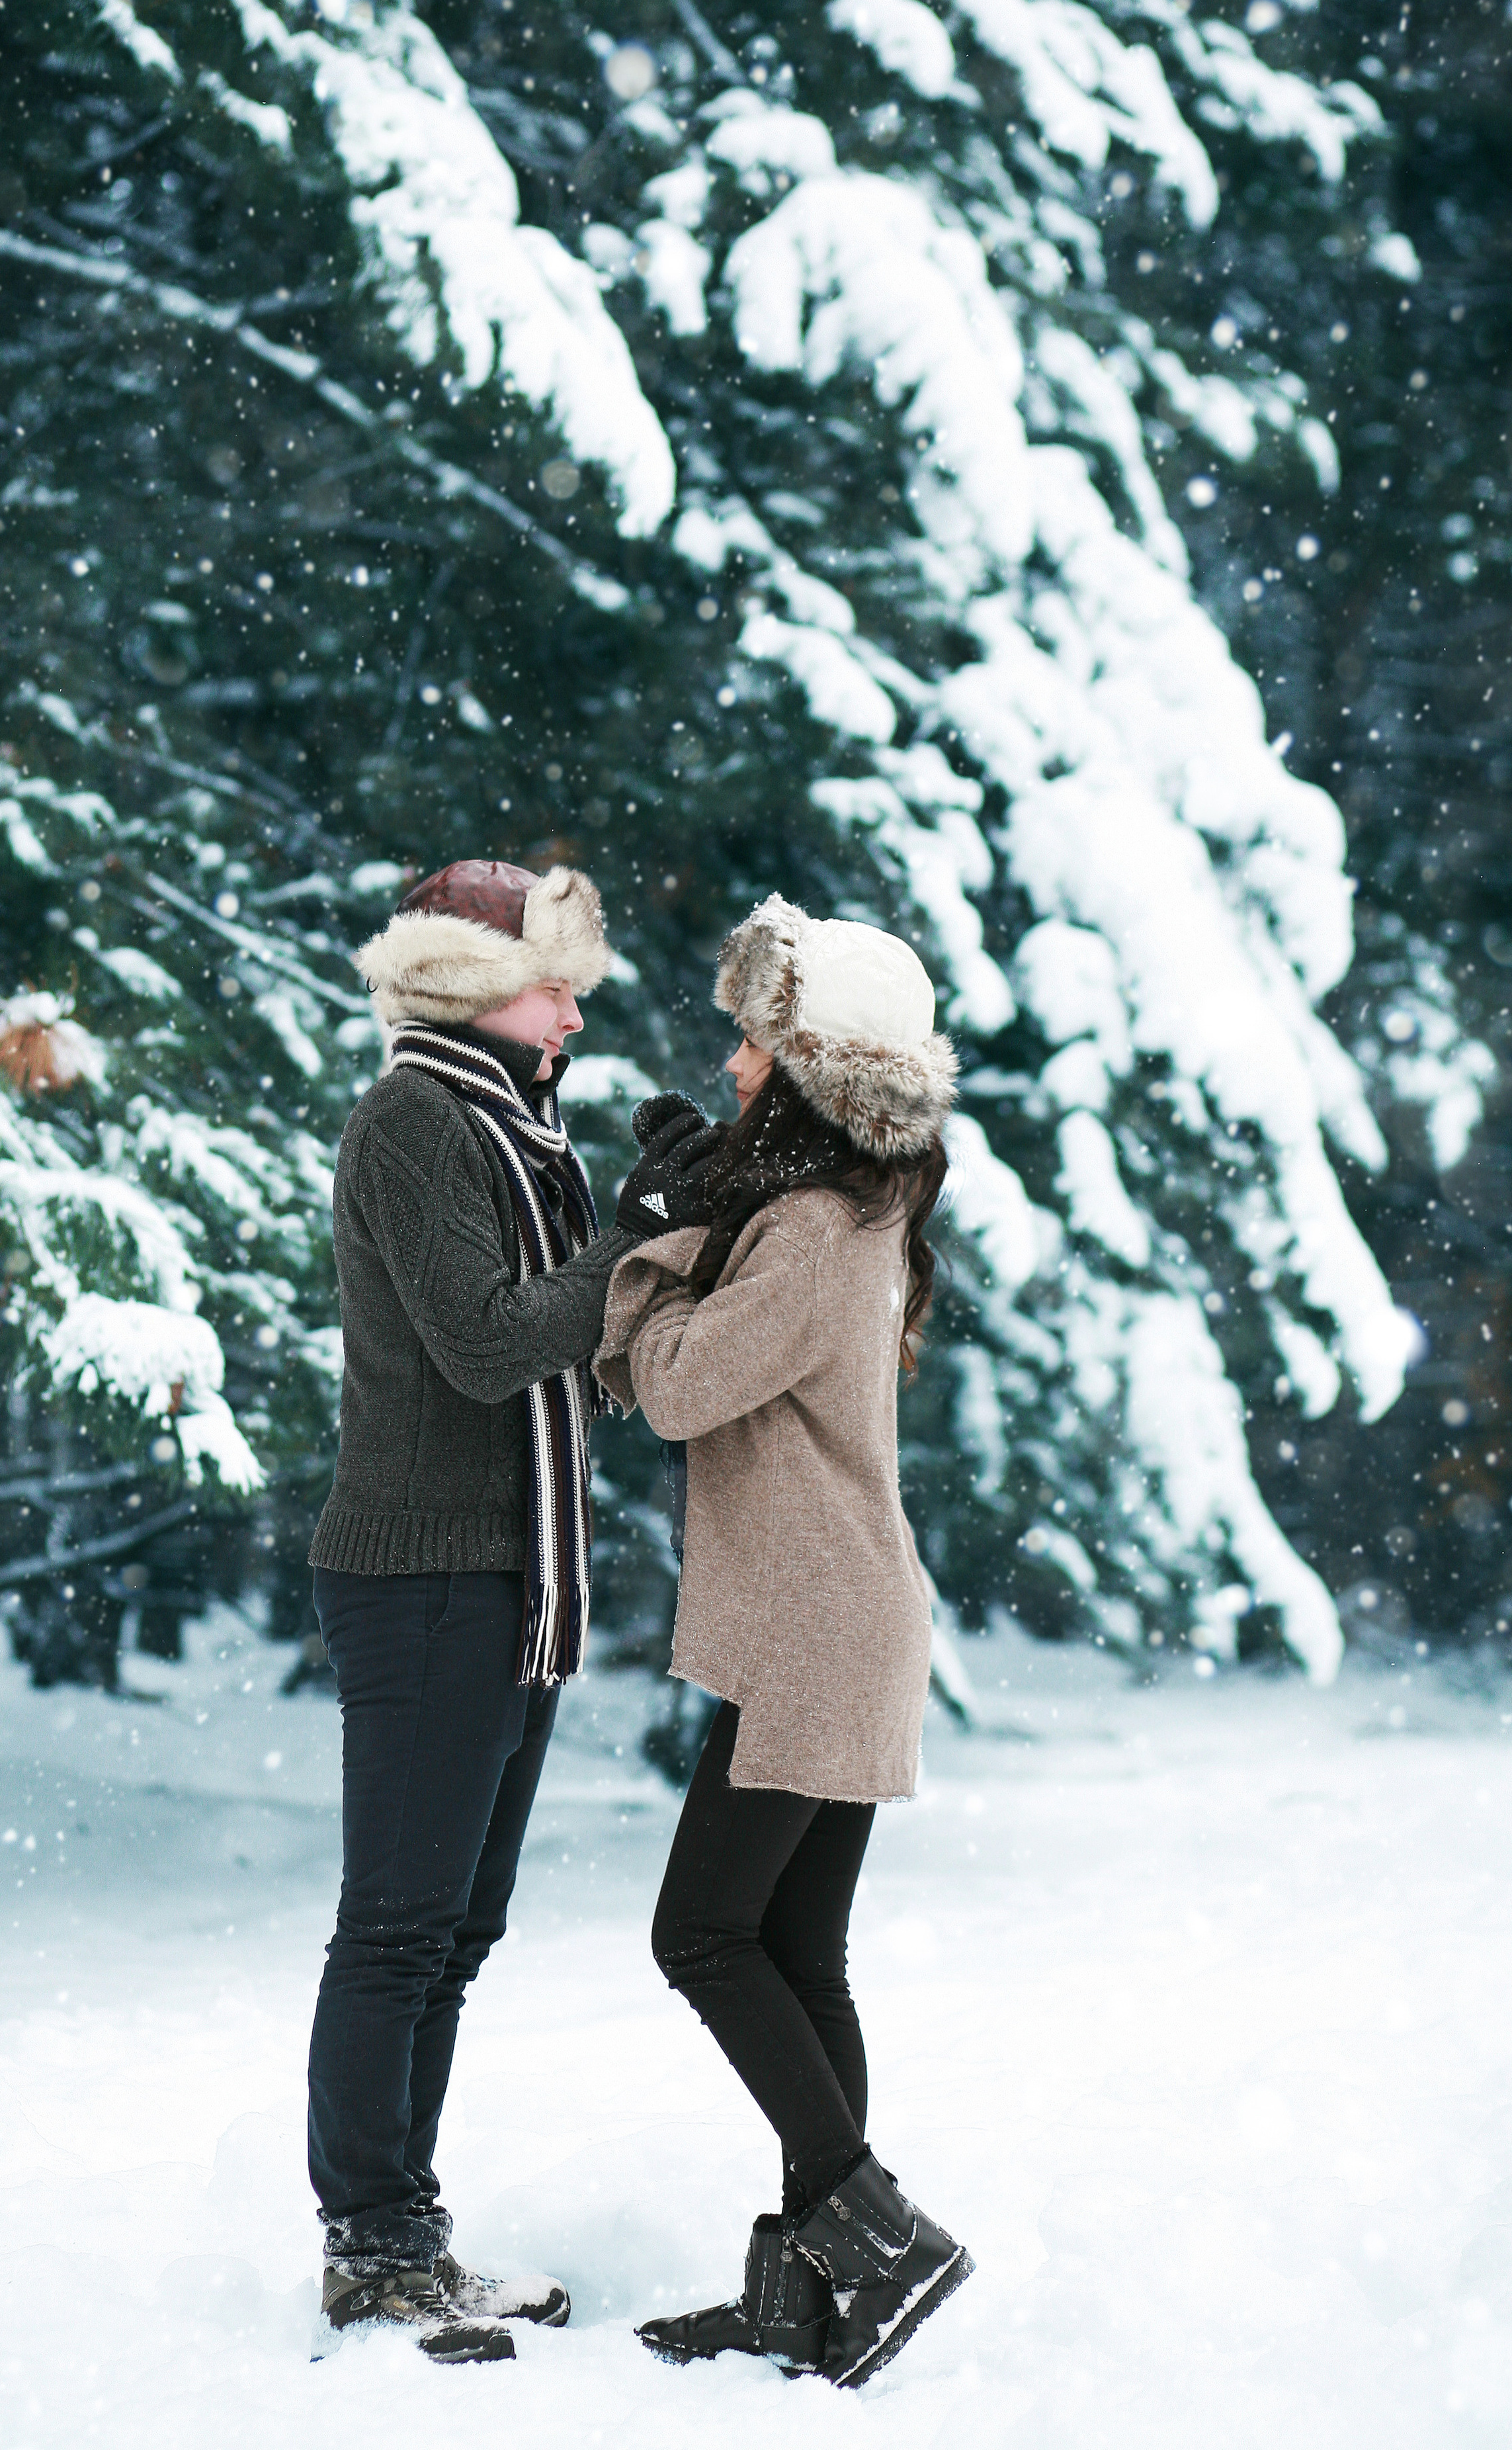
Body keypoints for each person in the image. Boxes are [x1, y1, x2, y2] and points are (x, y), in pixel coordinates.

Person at [306, 857, 713, 2365]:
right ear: (478, 989)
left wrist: (653, 1221)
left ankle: (404, 2234)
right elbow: (490, 1349)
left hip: (506, 1573)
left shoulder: (509, 1127)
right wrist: (628, 1232)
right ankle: (373, 2250)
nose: (578, 1008)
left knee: (454, 1927)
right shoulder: (417, 1120)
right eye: (559, 982)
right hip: (424, 1574)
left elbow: (562, 1333)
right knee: (400, 1927)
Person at [595, 893, 974, 2390]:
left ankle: (872, 2241)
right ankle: (801, 2303)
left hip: (817, 1627)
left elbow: (678, 1387)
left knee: (697, 1935)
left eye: (757, 1043)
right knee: (795, 1952)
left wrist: (651, 1243)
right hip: (845, 1613)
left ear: (816, 1068)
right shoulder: (852, 1216)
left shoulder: (813, 1229)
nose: (734, 1069)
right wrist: (704, 1229)